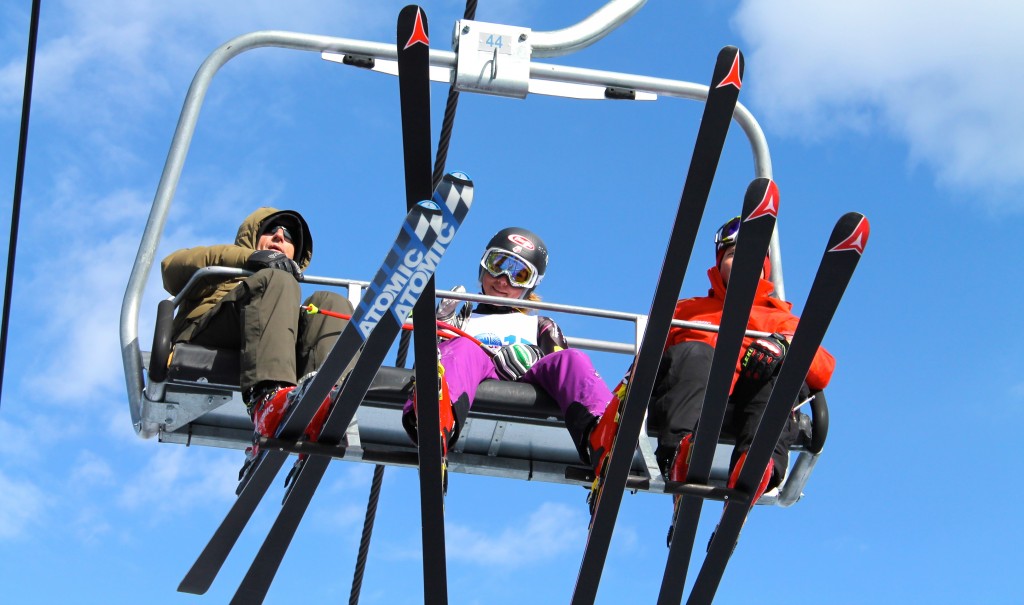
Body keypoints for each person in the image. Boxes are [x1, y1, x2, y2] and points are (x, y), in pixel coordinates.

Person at [641, 214, 836, 506]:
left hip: (748, 403)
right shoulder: (688, 311)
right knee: (695, 352)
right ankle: (682, 451)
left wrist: (784, 345)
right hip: (693, 400)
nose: (742, 260)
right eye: (732, 254)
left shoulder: (780, 318)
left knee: (778, 376)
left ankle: (756, 463)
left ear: (764, 270)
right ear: (718, 265)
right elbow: (647, 362)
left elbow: (823, 368)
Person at [401, 227, 613, 470]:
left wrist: (534, 355)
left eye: (518, 275)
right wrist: (440, 328)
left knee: (574, 358)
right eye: (497, 265)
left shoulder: (539, 325)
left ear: (530, 285)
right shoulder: (463, 320)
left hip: (527, 377)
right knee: (464, 348)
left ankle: (601, 434)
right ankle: (435, 418)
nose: (503, 280)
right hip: (474, 372)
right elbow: (434, 363)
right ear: (483, 266)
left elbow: (561, 366)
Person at [160, 207, 354, 473]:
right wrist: (251, 258)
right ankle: (267, 401)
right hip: (209, 332)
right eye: (271, 230)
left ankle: (325, 403)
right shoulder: (220, 269)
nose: (279, 236)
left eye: (288, 236)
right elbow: (171, 269)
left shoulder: (283, 293)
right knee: (277, 281)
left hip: (267, 334)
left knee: (332, 303)